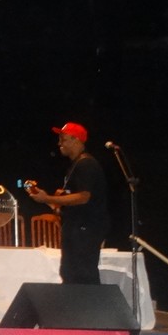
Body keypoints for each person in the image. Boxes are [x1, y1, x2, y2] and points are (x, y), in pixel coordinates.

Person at [26, 122, 108, 284]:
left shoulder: (86, 164)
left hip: (84, 228)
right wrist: (48, 200)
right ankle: (81, 301)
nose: (59, 143)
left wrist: (48, 198)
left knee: (81, 274)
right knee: (70, 272)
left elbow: (84, 197)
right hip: (78, 227)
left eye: (63, 139)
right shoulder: (77, 165)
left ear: (76, 140)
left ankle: (88, 301)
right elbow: (74, 200)